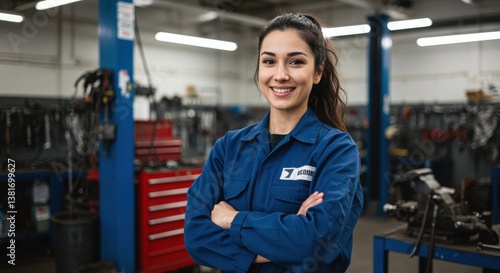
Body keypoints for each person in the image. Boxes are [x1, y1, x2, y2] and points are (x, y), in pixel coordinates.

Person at [184, 12, 364, 273]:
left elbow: (316, 243)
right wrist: (285, 242)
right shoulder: (229, 147)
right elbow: (196, 237)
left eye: (295, 62)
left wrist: (232, 219)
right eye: (269, 61)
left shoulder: (336, 150)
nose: (280, 75)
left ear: (317, 72)